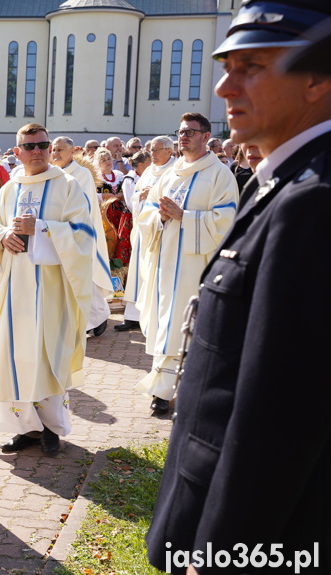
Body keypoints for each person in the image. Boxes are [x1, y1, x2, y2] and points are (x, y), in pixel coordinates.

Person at [146, 2, 331, 572]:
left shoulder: (313, 200)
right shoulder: (281, 180)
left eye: (251, 66)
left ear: (317, 80)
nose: (225, 86)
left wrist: (224, 552)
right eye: (228, 65)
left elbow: (279, 414)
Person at [0, 123, 94, 455]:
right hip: (12, 291)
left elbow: (83, 235)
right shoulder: (9, 189)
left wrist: (40, 229)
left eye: (42, 145)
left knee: (46, 356)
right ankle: (25, 427)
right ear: (17, 152)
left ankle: (51, 428)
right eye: (29, 147)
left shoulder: (67, 186)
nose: (37, 152)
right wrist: (2, 238)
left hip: (50, 292)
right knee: (12, 355)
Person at [135, 112, 238, 415]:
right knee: (166, 320)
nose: (184, 137)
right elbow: (148, 213)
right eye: (181, 132)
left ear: (206, 136)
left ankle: (175, 389)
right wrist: (160, 217)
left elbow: (226, 222)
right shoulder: (169, 173)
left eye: (191, 132)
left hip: (196, 264)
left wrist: (185, 218)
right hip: (165, 260)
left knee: (185, 324)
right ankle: (162, 387)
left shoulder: (220, 175)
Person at [49, 136, 113, 337]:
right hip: (57, 231)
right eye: (53, 150)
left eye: (60, 150)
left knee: (85, 275)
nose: (56, 154)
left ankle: (98, 315)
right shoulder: (50, 172)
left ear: (72, 152)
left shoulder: (81, 174)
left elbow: (83, 203)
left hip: (79, 230)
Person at [118, 136, 175, 332]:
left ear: (169, 151)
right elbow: (134, 197)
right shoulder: (149, 171)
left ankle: (156, 315)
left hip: (163, 230)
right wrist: (140, 197)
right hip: (144, 228)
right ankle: (133, 315)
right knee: (138, 272)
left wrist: (156, 198)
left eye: (157, 150)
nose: (153, 154)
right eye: (151, 151)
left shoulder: (176, 170)